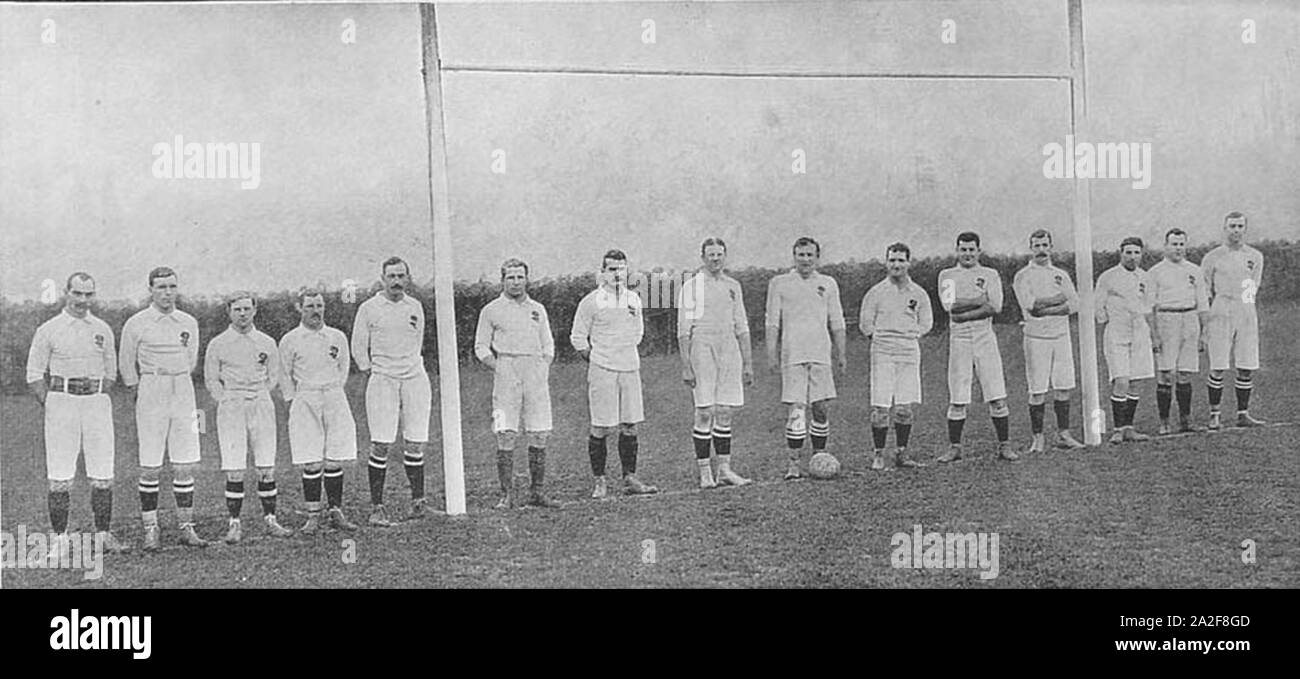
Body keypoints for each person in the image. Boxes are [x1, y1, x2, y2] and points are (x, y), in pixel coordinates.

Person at [26, 272, 129, 556]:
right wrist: (54, 404)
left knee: (103, 474)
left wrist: (93, 393)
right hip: (62, 402)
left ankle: (104, 536)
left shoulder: (102, 328)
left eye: (88, 294)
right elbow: (34, 375)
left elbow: (111, 372)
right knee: (59, 476)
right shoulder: (49, 328)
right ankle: (60, 540)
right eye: (78, 294)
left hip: (96, 403)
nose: (83, 300)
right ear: (66, 293)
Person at [119, 266, 208, 550]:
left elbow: (191, 360)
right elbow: (125, 364)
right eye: (161, 287)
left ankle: (186, 526)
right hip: (151, 389)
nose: (167, 293)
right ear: (151, 289)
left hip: (182, 390)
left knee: (184, 463)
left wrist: (176, 377)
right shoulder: (137, 322)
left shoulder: (188, 321)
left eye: (172, 287)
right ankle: (151, 528)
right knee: (150, 465)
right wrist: (141, 389)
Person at [203, 291, 293, 543]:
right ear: (229, 313)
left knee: (266, 465)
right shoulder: (218, 343)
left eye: (246, 309)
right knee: (235, 467)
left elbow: (274, 374)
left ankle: (271, 519)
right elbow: (211, 378)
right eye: (237, 309)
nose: (242, 314)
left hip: (260, 402)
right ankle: (234, 523)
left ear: (254, 310)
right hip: (232, 404)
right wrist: (225, 398)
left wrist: (261, 392)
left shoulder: (266, 341)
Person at [473, 258, 562, 509]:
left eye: (520, 277)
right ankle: (507, 494)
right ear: (502, 280)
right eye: (510, 277)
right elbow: (480, 345)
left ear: (526, 279)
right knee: (505, 432)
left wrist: (544, 364)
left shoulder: (538, 309)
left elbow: (548, 343)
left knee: (539, 431)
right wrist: (498, 366)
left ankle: (537, 492)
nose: (515, 282)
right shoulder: (491, 310)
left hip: (534, 372)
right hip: (506, 373)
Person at [570, 249, 659, 498]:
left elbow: (637, 333)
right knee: (601, 426)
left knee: (630, 425)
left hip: (630, 368)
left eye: (621, 269)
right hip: (603, 370)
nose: (617, 274)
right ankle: (600, 482)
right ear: (603, 273)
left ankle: (630, 477)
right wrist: (598, 359)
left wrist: (622, 353)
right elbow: (578, 338)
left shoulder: (634, 299)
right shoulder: (591, 301)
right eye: (611, 269)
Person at [352, 256, 432, 526]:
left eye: (401, 276)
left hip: (414, 377)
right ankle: (377, 508)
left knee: (415, 441)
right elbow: (358, 346)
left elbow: (417, 341)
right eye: (391, 277)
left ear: (407, 278)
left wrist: (408, 365)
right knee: (381, 442)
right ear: (383, 279)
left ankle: (419, 502)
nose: (396, 281)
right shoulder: (369, 308)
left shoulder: (415, 306)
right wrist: (372, 369)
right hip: (383, 378)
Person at [764, 237, 847, 480]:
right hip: (793, 354)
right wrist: (772, 354)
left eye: (810, 255)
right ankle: (793, 464)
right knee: (797, 410)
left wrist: (841, 353)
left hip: (821, 353)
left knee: (820, 408)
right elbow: (772, 322)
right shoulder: (779, 283)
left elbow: (837, 321)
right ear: (794, 256)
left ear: (817, 257)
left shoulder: (828, 283)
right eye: (801, 255)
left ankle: (818, 457)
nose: (805, 259)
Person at [280, 288, 359, 534]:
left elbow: (343, 367)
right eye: (310, 306)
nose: (316, 311)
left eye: (319, 305)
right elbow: (284, 374)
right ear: (299, 308)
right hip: (305, 398)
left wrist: (334, 390)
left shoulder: (336, 336)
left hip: (334, 395)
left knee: (334, 457)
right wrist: (295, 400)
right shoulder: (290, 339)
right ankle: (312, 515)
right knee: (312, 460)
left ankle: (336, 510)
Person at [677, 238, 754, 489]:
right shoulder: (692, 286)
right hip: (702, 345)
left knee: (724, 410)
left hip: (729, 347)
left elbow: (741, 325)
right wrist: (686, 365)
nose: (715, 259)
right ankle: (705, 472)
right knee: (705, 411)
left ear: (725, 256)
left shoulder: (733, 286)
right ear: (702, 257)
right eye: (711, 254)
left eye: (720, 254)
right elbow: (683, 330)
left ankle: (724, 470)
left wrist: (748, 363)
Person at [936, 232, 1017, 463]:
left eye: (972, 249)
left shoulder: (989, 274)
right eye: (963, 249)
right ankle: (955, 448)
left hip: (985, 337)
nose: (968, 254)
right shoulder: (947, 275)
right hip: (959, 339)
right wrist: (980, 301)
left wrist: (967, 309)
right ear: (957, 250)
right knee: (958, 395)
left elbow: (996, 306)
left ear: (979, 251)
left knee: (996, 393)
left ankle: (1004, 446)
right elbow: (950, 307)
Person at [1011, 230, 1086, 453]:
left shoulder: (1060, 274)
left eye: (1045, 245)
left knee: (1063, 386)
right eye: (1037, 245)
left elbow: (1074, 304)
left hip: (1061, 336)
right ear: (1031, 248)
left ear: (1051, 247)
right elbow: (1031, 306)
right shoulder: (1023, 275)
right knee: (1037, 389)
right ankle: (1038, 439)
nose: (1041, 249)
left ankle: (1064, 435)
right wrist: (1058, 300)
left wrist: (1050, 306)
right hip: (1036, 338)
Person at [860, 243, 934, 470]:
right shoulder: (876, 292)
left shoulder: (918, 293)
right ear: (886, 262)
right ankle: (879, 455)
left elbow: (927, 321)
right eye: (892, 260)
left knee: (904, 407)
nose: (896, 264)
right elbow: (865, 323)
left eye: (901, 260)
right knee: (881, 407)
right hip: (883, 351)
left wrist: (915, 334)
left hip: (909, 351)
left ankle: (902, 453)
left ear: (909, 263)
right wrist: (879, 337)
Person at [1201, 212, 1266, 429]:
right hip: (1221, 308)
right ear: (1225, 228)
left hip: (1245, 309)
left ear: (1245, 229)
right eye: (1232, 226)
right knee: (1218, 364)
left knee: (1246, 364)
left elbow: (1253, 286)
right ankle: (1214, 414)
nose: (1236, 230)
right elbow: (1206, 289)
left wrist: (1246, 309)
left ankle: (1243, 413)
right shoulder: (1213, 257)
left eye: (1239, 226)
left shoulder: (1255, 256)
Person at [1094, 237, 1159, 444]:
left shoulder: (1146, 278)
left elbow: (1149, 308)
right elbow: (1099, 305)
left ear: (1141, 254)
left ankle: (1129, 428)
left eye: (1136, 253)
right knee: (1121, 381)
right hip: (1117, 333)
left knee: (1135, 382)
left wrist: (1154, 335)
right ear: (1120, 253)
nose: (1132, 257)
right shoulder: (1109, 276)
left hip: (1139, 332)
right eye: (1128, 252)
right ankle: (1117, 429)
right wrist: (1107, 320)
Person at [1147, 228, 1210, 434]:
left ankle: (1186, 420)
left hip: (1190, 319)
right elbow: (1149, 307)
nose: (1178, 248)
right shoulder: (1155, 272)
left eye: (1182, 244)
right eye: (1174, 244)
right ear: (1166, 246)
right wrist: (1154, 335)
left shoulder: (1194, 270)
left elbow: (1203, 303)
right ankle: (1164, 422)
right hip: (1167, 319)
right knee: (1166, 373)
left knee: (1185, 373)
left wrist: (1204, 332)